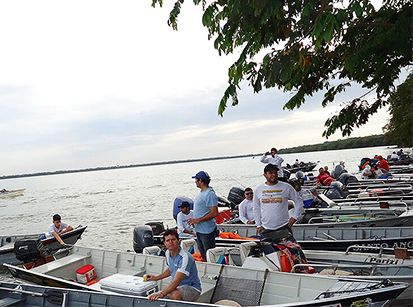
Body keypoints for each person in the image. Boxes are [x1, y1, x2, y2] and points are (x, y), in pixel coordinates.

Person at [147, 229, 201, 301]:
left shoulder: (185, 257)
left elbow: (176, 281)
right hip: (178, 286)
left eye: (173, 239)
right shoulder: (167, 253)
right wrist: (156, 278)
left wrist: (161, 294)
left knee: (174, 295)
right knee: (152, 297)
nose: (171, 242)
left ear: (179, 240)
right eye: (168, 240)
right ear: (164, 243)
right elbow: (171, 269)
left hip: (192, 288)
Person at [253, 164, 303, 240]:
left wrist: (294, 217)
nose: (274, 175)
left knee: (289, 251)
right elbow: (256, 208)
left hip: (284, 227)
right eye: (270, 173)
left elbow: (298, 201)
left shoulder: (286, 187)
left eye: (275, 173)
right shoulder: (258, 189)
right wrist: (258, 225)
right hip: (265, 228)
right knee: (270, 252)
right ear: (265, 175)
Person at [188, 171, 218, 261]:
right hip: (199, 230)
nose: (195, 182)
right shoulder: (202, 193)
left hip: (207, 231)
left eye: (196, 180)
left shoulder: (210, 194)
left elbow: (214, 213)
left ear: (200, 181)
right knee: (203, 255)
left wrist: (198, 220)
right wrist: (194, 220)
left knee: (209, 255)